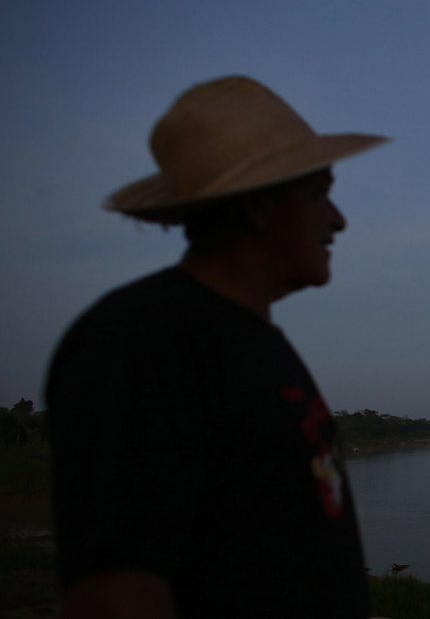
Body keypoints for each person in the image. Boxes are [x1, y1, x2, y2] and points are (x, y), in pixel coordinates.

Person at [45, 76, 388, 618]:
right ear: (258, 205)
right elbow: (115, 592)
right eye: (320, 193)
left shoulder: (249, 338)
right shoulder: (145, 337)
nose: (339, 220)